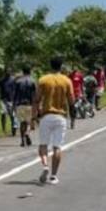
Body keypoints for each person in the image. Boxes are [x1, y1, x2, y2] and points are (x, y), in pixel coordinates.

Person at [33, 56, 75, 184]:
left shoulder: (43, 80)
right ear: (61, 66)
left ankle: (45, 165)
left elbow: (37, 99)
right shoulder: (66, 81)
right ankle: (53, 176)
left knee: (43, 145)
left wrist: (34, 115)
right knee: (57, 147)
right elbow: (71, 101)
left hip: (46, 116)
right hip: (61, 117)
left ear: (50, 65)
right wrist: (72, 117)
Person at [13, 66, 37, 148]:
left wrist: (14, 105)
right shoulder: (33, 81)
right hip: (29, 104)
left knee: (22, 123)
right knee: (29, 122)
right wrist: (36, 105)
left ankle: (22, 140)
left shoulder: (18, 81)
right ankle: (27, 133)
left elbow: (15, 95)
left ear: (23, 72)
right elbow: (35, 95)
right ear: (30, 72)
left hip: (20, 104)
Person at [0, 69, 18, 136]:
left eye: (9, 71)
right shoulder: (2, 80)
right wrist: (0, 97)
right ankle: (3, 130)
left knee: (12, 115)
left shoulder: (13, 80)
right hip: (3, 100)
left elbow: (16, 89)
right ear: (5, 72)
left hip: (11, 100)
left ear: (11, 72)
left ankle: (13, 129)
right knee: (3, 114)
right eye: (7, 71)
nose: (8, 72)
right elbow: (0, 89)